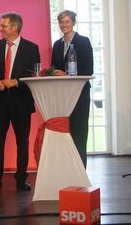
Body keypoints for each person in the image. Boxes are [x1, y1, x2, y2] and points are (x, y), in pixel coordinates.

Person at [0, 12, 40, 191]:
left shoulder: (31, 48)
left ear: (15, 27)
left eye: (4, 26)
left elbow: (35, 75)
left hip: (21, 102)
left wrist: (16, 81)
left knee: (22, 142)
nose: (0, 28)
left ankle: (21, 179)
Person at [51, 10, 93, 167]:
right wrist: (53, 73)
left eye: (67, 22)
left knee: (79, 131)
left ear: (74, 23)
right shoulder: (57, 44)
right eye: (61, 22)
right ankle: (67, 168)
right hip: (62, 94)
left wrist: (66, 73)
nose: (64, 25)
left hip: (80, 93)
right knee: (64, 132)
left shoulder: (83, 41)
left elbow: (88, 69)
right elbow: (54, 67)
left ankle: (81, 169)